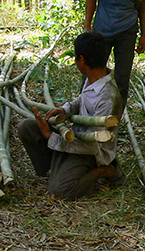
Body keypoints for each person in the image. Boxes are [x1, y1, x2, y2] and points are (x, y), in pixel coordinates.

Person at [16, 31, 125, 199]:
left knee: (60, 191)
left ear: (82, 60)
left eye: (75, 57)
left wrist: (51, 137)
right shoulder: (93, 77)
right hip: (74, 138)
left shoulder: (108, 97)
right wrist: (65, 110)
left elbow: (92, 145)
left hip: (90, 152)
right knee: (26, 128)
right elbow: (82, 100)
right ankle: (56, 168)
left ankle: (104, 171)